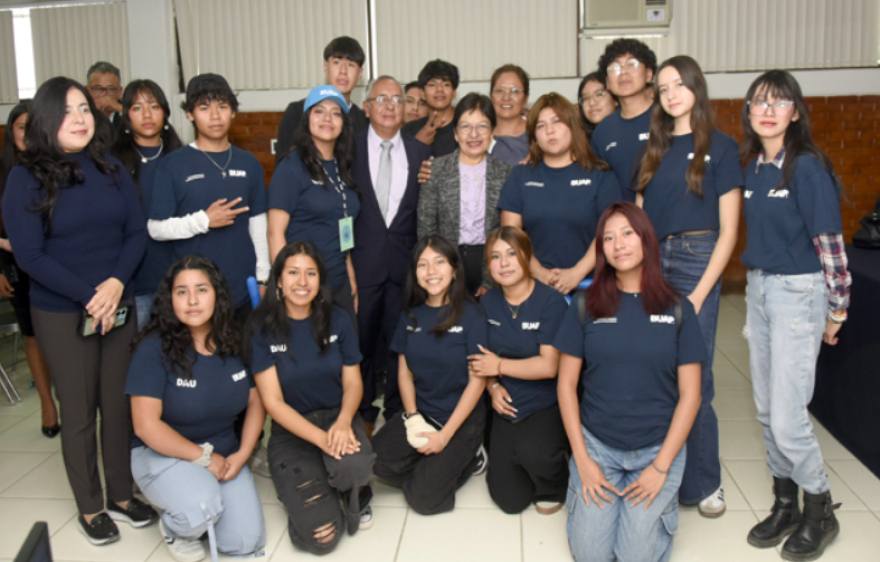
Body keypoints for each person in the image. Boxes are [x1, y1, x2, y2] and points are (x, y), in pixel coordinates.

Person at [2, 76, 156, 544]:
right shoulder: (24, 178)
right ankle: (91, 506)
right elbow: (30, 257)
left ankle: (122, 495)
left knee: (118, 404)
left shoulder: (111, 169)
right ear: (48, 120)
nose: (81, 118)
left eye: (85, 109)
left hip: (117, 302)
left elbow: (137, 234)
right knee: (81, 411)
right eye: (68, 111)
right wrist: (91, 295)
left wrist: (113, 285)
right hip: (63, 310)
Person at [554, 202, 704, 562]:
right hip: (598, 447)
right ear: (601, 249)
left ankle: (653, 515)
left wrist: (660, 467)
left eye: (627, 234)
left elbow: (691, 396)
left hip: (656, 448)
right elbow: (565, 386)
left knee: (634, 556)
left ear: (645, 240)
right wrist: (583, 459)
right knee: (591, 556)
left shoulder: (679, 308)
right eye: (608, 237)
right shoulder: (584, 305)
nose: (618, 244)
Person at [740, 70, 849, 561]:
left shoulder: (805, 166)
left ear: (795, 112)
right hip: (759, 290)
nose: (768, 110)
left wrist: (838, 306)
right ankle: (785, 502)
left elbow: (829, 241)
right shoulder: (754, 167)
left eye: (779, 102)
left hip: (798, 294)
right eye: (759, 101)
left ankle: (819, 508)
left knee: (788, 418)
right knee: (766, 411)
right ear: (748, 111)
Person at [635, 55, 743, 518]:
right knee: (656, 371)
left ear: (697, 88)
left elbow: (729, 231)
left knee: (698, 378)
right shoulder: (654, 150)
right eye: (663, 88)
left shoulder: (721, 146)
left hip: (699, 260)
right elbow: (639, 222)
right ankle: (663, 471)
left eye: (680, 84)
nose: (672, 93)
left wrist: (700, 293)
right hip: (654, 263)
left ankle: (706, 482)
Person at [128, 256, 266, 562]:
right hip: (163, 453)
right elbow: (145, 426)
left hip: (224, 452)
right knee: (200, 512)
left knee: (247, 541)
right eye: (181, 292)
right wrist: (203, 458)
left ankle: (202, 501)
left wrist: (243, 453)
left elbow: (257, 401)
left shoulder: (237, 339)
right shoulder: (153, 348)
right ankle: (176, 526)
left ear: (217, 295)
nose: (192, 300)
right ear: (169, 299)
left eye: (202, 290)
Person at [249, 241, 375, 554]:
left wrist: (345, 422)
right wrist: (322, 440)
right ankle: (313, 490)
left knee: (355, 468)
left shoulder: (339, 319)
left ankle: (341, 486)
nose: (302, 282)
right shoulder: (261, 330)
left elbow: (353, 383)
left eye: (310, 273)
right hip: (292, 431)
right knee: (322, 537)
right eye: (293, 273)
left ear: (320, 280)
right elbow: (273, 403)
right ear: (279, 279)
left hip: (337, 417)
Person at [371, 236, 488, 515]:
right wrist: (413, 419)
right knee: (372, 462)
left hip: (459, 421)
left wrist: (445, 437)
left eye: (439, 262)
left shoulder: (472, 315)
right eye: (423, 264)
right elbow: (404, 373)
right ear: (415, 274)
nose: (431, 271)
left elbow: (477, 381)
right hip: (423, 413)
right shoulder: (410, 316)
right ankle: (433, 467)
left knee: (424, 500)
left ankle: (469, 458)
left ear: (455, 269)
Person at [148, 73, 270, 323]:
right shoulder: (172, 165)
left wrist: (263, 278)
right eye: (205, 108)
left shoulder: (250, 164)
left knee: (246, 359)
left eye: (223, 107)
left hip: (243, 290)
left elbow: (259, 225)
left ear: (233, 112)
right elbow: (155, 229)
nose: (215, 116)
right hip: (194, 294)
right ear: (190, 114)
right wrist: (203, 220)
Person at [468, 226, 569, 515]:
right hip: (504, 401)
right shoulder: (488, 302)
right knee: (508, 500)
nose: (504, 263)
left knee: (535, 454)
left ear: (526, 256)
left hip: (544, 403)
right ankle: (517, 458)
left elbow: (550, 366)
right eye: (495, 257)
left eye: (512, 254)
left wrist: (499, 367)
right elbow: (480, 358)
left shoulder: (550, 302)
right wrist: (492, 386)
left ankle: (554, 481)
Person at [352, 76, 431, 433]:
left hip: (405, 270)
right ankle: (364, 413)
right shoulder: (346, 151)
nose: (388, 106)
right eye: (380, 99)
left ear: (405, 108)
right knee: (361, 345)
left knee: (402, 346)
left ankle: (399, 415)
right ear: (367, 107)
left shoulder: (421, 154)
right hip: (361, 268)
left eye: (396, 99)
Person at [499, 93, 621, 295]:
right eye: (541, 126)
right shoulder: (520, 176)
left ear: (573, 126)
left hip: (591, 287)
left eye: (557, 122)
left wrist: (577, 273)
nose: (550, 131)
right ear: (534, 136)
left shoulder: (600, 176)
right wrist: (539, 273)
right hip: (533, 287)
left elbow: (609, 233)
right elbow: (511, 235)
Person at [268, 85, 361, 326]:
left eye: (335, 112)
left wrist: (350, 276)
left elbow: (342, 226)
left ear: (343, 123)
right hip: (303, 287)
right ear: (307, 119)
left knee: (345, 357)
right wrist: (286, 285)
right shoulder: (291, 168)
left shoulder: (343, 167)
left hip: (339, 284)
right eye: (319, 111)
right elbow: (274, 232)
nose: (327, 118)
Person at [0, 103, 60, 438]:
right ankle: (47, 405)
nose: (28, 132)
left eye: (33, 125)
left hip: (55, 262)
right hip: (15, 267)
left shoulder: (55, 167)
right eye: (21, 126)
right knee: (33, 337)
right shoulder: (4, 171)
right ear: (12, 131)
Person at [417, 93, 512, 297]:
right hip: (446, 259)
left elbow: (507, 231)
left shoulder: (506, 173)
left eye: (482, 126)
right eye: (466, 127)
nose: (474, 135)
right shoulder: (435, 170)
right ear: (455, 133)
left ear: (492, 132)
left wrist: (490, 279)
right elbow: (426, 230)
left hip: (490, 261)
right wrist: (441, 272)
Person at [112, 79, 183, 329]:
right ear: (126, 116)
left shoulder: (181, 158)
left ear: (164, 111)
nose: (147, 114)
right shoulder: (113, 164)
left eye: (153, 106)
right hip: (134, 280)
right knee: (139, 355)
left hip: (178, 279)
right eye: (137, 108)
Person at [275, 36, 369, 163]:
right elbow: (283, 166)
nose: (343, 71)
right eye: (337, 62)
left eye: (351, 64)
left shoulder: (364, 121)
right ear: (326, 66)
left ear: (360, 73)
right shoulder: (297, 112)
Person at [590, 39, 657, 202]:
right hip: (625, 222)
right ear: (607, 82)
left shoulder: (667, 119)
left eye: (631, 64)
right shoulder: (603, 131)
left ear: (649, 74)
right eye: (614, 68)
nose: (623, 73)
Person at [402, 59, 460, 157]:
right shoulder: (409, 131)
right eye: (432, 85)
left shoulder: (465, 128)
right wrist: (417, 144)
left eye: (446, 84)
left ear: (454, 93)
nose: (439, 89)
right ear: (422, 93)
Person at [488, 64, 530, 166]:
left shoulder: (538, 133)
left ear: (525, 98)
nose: (506, 98)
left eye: (514, 91)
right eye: (500, 91)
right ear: (491, 96)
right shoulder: (477, 134)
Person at [578, 71, 618, 140]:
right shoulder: (581, 141)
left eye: (599, 94)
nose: (592, 103)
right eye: (586, 98)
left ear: (615, 99)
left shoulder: (629, 132)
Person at [86, 61, 124, 126]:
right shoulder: (80, 113)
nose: (103, 95)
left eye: (110, 89)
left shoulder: (125, 112)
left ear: (119, 92)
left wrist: (120, 109)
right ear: (87, 91)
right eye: (97, 89)